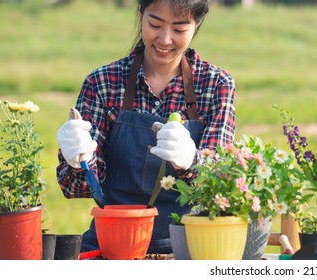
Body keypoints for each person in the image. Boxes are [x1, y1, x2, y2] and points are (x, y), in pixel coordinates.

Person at [56, 0, 235, 254]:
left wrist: (192, 161)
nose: (165, 39)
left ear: (196, 26)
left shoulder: (216, 85)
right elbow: (73, 189)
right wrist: (78, 161)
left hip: (191, 248)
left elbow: (220, 188)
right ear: (141, 15)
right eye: (155, 24)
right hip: (110, 246)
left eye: (179, 29)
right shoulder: (103, 82)